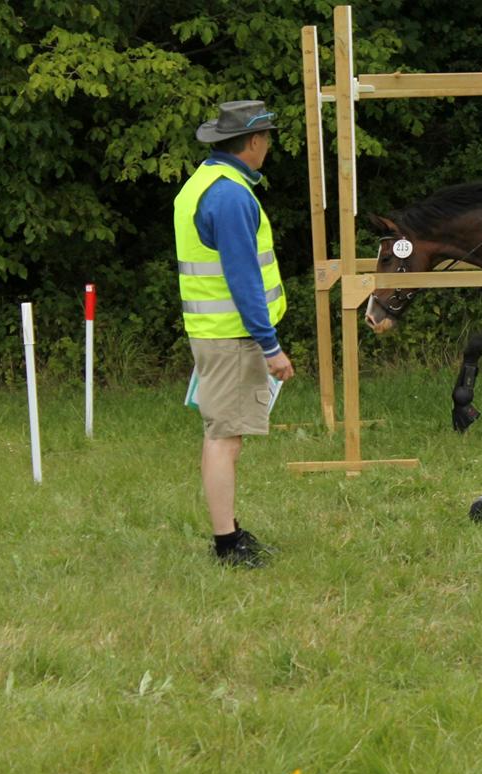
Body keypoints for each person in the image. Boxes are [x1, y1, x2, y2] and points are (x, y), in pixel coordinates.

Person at [173, 100, 293, 568]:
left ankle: (230, 532)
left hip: (213, 332)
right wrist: (270, 346)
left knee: (224, 434)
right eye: (267, 139)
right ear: (255, 142)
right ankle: (227, 544)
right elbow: (243, 279)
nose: (267, 147)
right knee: (224, 438)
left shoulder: (203, 183)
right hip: (231, 336)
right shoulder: (231, 196)